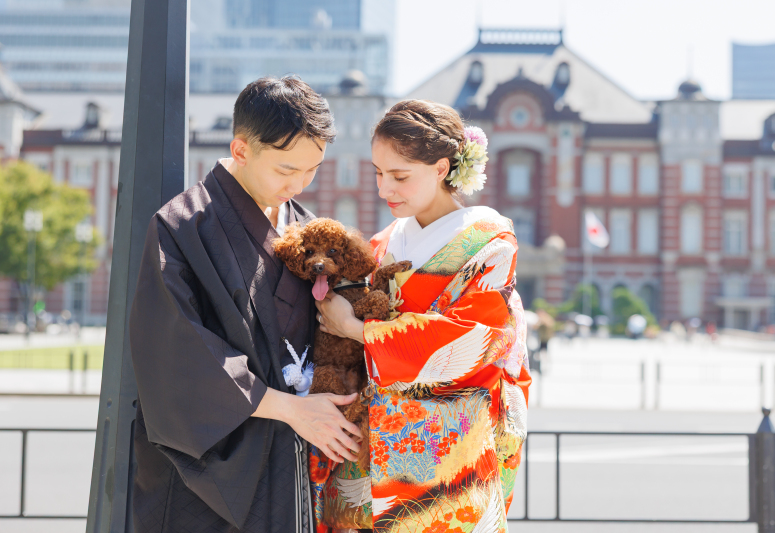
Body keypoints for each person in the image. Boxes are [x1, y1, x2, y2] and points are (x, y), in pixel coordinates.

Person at [128, 76, 362, 533]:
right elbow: (176, 352)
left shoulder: (306, 231)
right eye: (285, 170)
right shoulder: (183, 226)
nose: (299, 184)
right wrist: (290, 409)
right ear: (240, 149)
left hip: (297, 451)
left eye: (311, 170)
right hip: (209, 468)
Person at [316, 100, 531, 533]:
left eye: (400, 176)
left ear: (441, 168)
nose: (385, 189)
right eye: (378, 173)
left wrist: (355, 329)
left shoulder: (488, 244)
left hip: (444, 452)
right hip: (367, 448)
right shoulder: (383, 243)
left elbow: (469, 338)